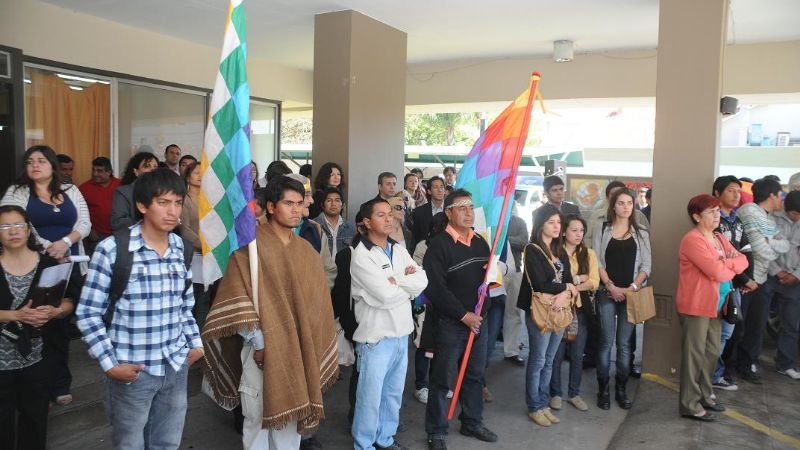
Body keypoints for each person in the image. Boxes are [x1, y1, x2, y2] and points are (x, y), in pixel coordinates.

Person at [201, 175, 338, 450]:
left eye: (300, 203)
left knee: (291, 425)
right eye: (289, 203)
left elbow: (316, 307)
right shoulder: (249, 249)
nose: (296, 209)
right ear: (272, 206)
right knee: (257, 420)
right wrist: (259, 341)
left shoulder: (306, 253)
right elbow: (238, 298)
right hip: (259, 350)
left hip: (298, 351)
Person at [76, 169, 204, 449]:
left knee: (167, 443)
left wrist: (195, 345)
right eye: (163, 202)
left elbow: (185, 305)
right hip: (133, 371)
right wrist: (110, 365)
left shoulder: (181, 248)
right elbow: (88, 313)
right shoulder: (113, 250)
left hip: (175, 365)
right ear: (142, 205)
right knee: (129, 444)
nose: (172, 211)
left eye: (178, 203)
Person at [1, 145, 91, 406]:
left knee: (60, 324)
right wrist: (50, 249)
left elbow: (85, 223)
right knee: (34, 321)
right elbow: (16, 225)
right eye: (30, 162)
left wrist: (64, 242)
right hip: (34, 265)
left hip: (71, 263)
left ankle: (60, 383)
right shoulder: (17, 192)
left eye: (41, 161)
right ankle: (34, 386)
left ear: (52, 165)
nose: (35, 165)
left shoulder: (70, 190)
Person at [350, 198, 427, 450]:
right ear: (366, 222)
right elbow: (384, 295)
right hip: (376, 340)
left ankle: (385, 439)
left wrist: (395, 281)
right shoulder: (361, 254)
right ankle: (364, 444)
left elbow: (422, 279)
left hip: (401, 335)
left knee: (392, 396)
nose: (388, 218)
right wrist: (403, 283)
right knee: (370, 399)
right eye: (381, 215)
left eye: (390, 214)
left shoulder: (398, 249)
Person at [423, 189, 497, 450]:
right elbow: (435, 288)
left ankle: (472, 421)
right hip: (452, 323)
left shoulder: (481, 242)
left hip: (479, 322)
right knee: (443, 379)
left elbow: (487, 283)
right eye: (461, 207)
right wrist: (463, 315)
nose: (468, 212)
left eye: (470, 207)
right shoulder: (439, 245)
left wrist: (481, 311)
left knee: (476, 375)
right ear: (449, 213)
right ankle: (437, 431)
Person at [0, 205, 78, 450]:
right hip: (1, 361)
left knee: (35, 422)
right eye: (4, 226)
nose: (12, 231)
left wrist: (57, 311)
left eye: (18, 225)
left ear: (28, 229)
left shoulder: (49, 264)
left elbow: (70, 300)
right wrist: (15, 315)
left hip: (38, 357)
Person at [677, 194, 747, 422]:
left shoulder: (718, 237)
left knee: (711, 353)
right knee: (694, 356)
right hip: (696, 305)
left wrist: (725, 264)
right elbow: (716, 273)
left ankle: (706, 395)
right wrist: (727, 266)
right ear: (696, 216)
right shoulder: (693, 239)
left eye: (718, 211)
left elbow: (743, 260)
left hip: (717, 305)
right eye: (711, 212)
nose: (717, 215)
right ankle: (689, 404)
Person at [518, 205, 577, 427]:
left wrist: (564, 294)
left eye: (559, 223)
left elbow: (569, 278)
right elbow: (541, 283)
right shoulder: (532, 249)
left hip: (559, 310)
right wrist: (565, 290)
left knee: (550, 359)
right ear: (541, 223)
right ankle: (534, 406)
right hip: (540, 310)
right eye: (551, 222)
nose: (556, 226)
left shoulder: (561, 251)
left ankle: (543, 403)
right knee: (538, 359)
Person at [593, 188, 651, 410]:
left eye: (629, 203)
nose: (626, 207)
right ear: (613, 206)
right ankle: (603, 390)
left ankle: (621, 389)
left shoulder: (642, 232)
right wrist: (611, 286)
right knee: (606, 342)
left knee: (625, 345)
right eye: (621, 203)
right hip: (606, 292)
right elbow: (596, 261)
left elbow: (647, 265)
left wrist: (632, 287)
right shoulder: (602, 229)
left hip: (632, 294)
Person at [736, 177, 789, 383]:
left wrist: (771, 243)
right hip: (747, 279)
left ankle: (746, 365)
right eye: (780, 195)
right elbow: (761, 250)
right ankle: (733, 367)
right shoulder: (750, 211)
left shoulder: (769, 218)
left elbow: (784, 246)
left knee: (755, 327)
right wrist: (770, 243)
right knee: (740, 327)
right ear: (772, 195)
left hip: (761, 279)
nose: (781, 200)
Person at [710, 176, 756, 392]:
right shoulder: (713, 221)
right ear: (717, 194)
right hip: (720, 285)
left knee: (729, 332)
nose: (737, 195)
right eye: (731, 190)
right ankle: (712, 374)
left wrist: (748, 278)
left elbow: (746, 252)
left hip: (735, 286)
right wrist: (744, 278)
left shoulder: (737, 221)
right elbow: (723, 259)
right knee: (717, 333)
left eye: (738, 191)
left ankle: (717, 374)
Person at [550, 214, 599, 413]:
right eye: (574, 230)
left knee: (578, 354)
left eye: (581, 231)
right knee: (557, 355)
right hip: (560, 309)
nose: (579, 234)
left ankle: (574, 393)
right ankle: (555, 393)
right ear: (564, 231)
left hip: (580, 309)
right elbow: (556, 281)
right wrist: (579, 280)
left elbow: (594, 282)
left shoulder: (589, 254)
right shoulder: (555, 252)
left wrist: (573, 285)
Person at [412, 212, 448, 405]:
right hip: (426, 302)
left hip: (446, 303)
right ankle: (421, 385)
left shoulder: (454, 245)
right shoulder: (422, 246)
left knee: (443, 345)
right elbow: (418, 274)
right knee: (424, 344)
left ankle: (438, 383)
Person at [769, 190, 800, 379]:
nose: (797, 218)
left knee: (790, 324)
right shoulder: (772, 219)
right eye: (795, 214)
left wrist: (795, 275)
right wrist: (777, 272)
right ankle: (749, 362)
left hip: (794, 280)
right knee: (755, 322)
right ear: (786, 209)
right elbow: (764, 248)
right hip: (770, 276)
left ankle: (785, 363)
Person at [179, 162, 211, 330]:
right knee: (193, 296)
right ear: (188, 176)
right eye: (196, 173)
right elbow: (184, 229)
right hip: (193, 254)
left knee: (205, 298)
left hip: (209, 255)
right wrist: (202, 245)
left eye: (203, 172)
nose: (200, 176)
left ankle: (201, 336)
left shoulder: (210, 199)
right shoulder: (184, 199)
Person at [502, 203, 528, 366]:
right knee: (490, 313)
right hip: (494, 272)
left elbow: (524, 241)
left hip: (516, 270)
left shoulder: (518, 222)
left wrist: (504, 239)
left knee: (515, 312)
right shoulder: (492, 218)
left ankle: (511, 350)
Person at [79, 157, 121, 256]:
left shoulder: (121, 185)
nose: (95, 174)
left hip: (119, 234)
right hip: (97, 236)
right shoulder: (84, 188)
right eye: (93, 170)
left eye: (99, 171)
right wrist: (89, 230)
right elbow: (78, 212)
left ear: (109, 172)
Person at [110, 151, 158, 231]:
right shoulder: (123, 192)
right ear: (136, 171)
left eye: (155, 167)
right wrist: (149, 223)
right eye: (147, 166)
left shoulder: (161, 192)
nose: (152, 170)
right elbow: (118, 222)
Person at [313, 186, 355, 257]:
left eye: (337, 200)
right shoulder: (314, 225)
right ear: (322, 205)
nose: (333, 204)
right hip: (321, 267)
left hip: (343, 268)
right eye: (329, 200)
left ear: (342, 205)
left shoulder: (350, 228)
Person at [412, 176, 446, 245]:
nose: (439, 190)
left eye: (441, 187)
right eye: (435, 187)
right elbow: (415, 237)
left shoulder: (452, 210)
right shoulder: (418, 212)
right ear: (429, 191)